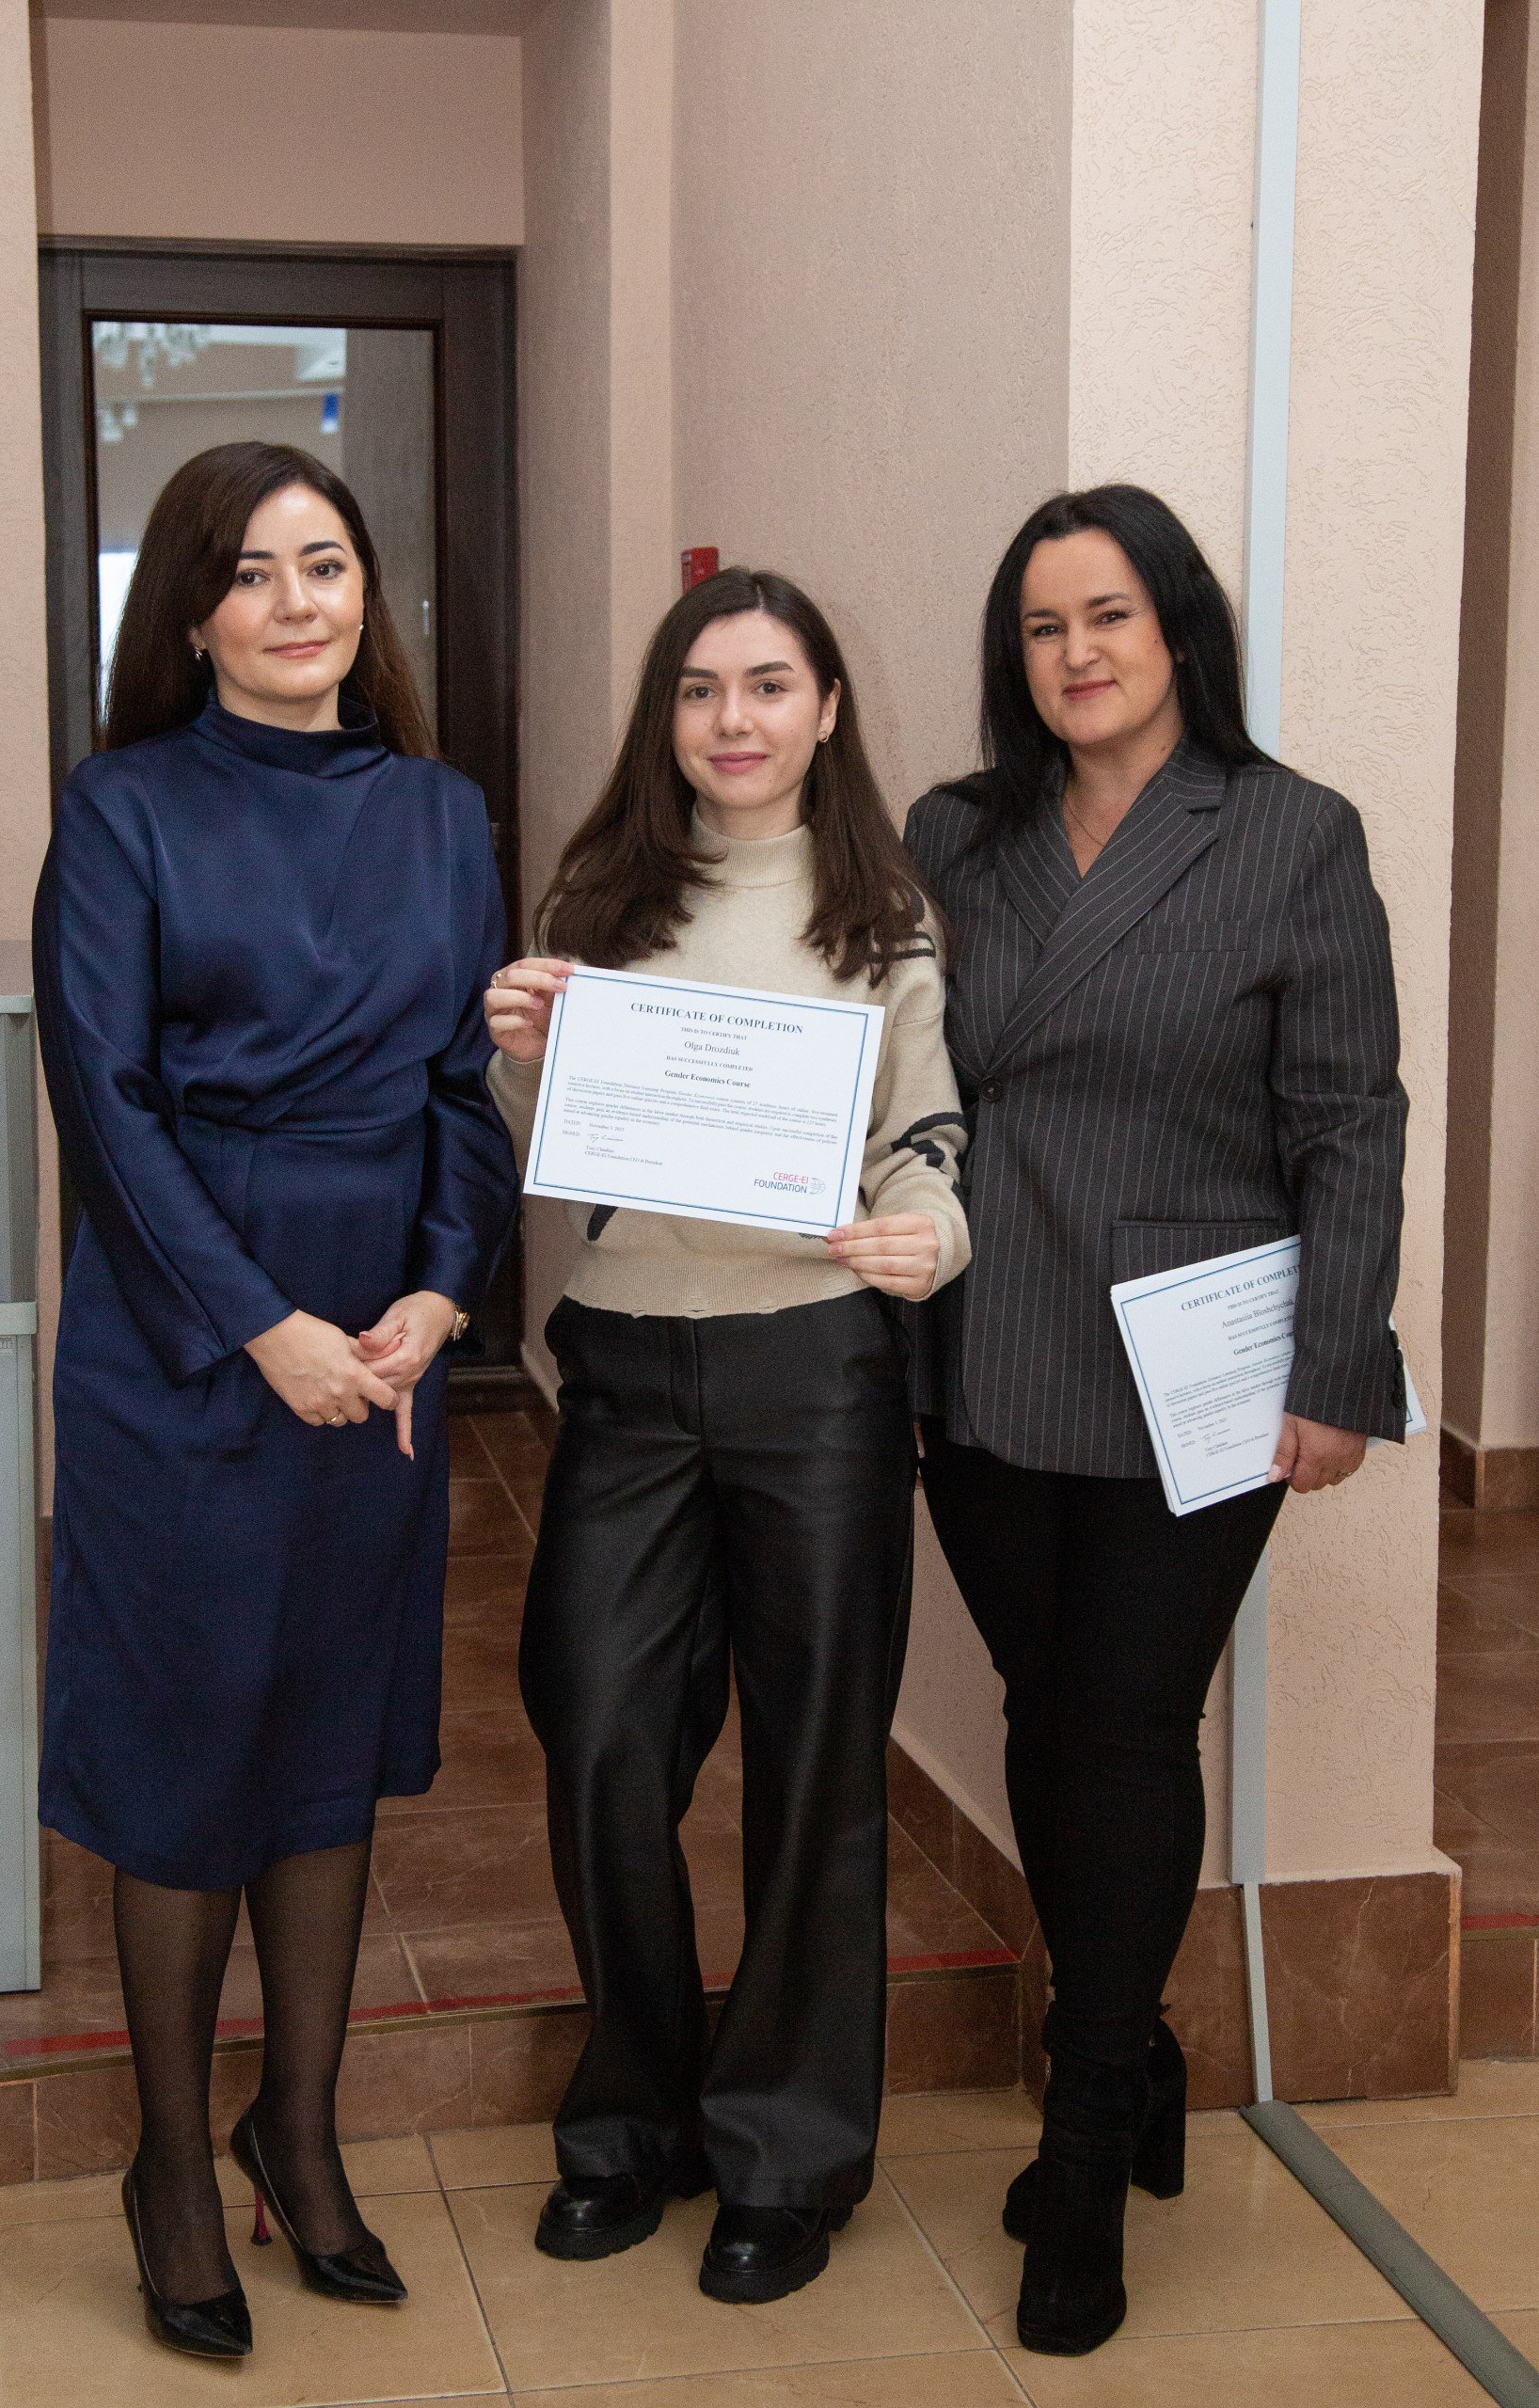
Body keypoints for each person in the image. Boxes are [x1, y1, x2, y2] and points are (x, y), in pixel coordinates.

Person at [902, 484, 1407, 2358]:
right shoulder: (954, 833)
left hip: (1189, 1366)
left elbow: (1347, 1116)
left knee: (1120, 1723)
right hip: (981, 1342)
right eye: (1042, 626)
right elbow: (869, 1045)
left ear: (1178, 625)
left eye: (1107, 613)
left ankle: (1086, 2128)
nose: (1076, 653)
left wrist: (1333, 1365)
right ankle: (1143, 2047)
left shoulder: (1288, 832)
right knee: (1049, 1712)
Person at [33, 441, 517, 2360]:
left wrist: (439, 1291)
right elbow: (106, 1101)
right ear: (193, 612)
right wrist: (260, 1326)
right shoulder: (123, 807)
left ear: (365, 593)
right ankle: (170, 2162)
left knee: (327, 1731)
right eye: (250, 571)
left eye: (325, 563)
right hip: (188, 1340)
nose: (297, 600)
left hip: (381, 1334)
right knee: (186, 1748)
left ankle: (296, 2132)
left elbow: (459, 1089)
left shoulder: (442, 812)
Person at [484, 567, 970, 2305]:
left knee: (816, 1765)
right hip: (629, 1364)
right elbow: (562, 1139)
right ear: (665, 717)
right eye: (699, 689)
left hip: (814, 1370)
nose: (733, 720)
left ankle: (786, 2153)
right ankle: (635, 2115)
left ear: (826, 709)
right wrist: (521, 1054)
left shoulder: (881, 909)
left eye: (768, 685)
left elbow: (922, 1137)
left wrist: (929, 1234)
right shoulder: (601, 894)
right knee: (600, 1733)